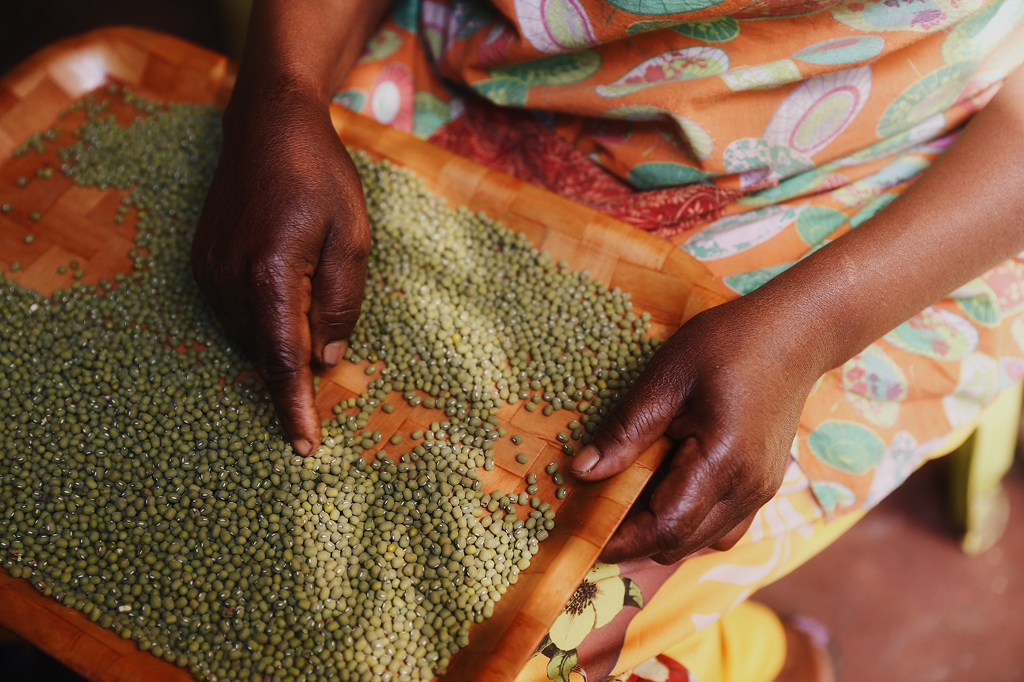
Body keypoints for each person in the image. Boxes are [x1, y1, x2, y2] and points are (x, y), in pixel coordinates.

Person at [191, 1, 1024, 679]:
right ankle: (752, 657)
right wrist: (284, 93)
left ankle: (766, 659)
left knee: (527, 634)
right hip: (478, 68)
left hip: (869, 205)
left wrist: (811, 329)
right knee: (224, 504)